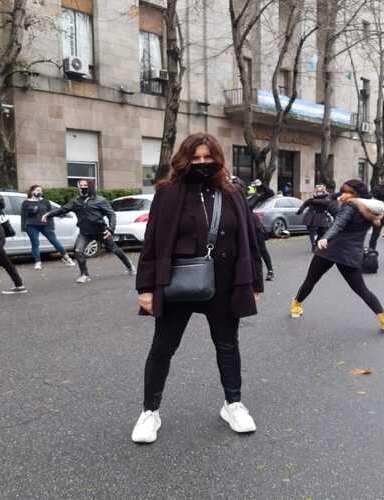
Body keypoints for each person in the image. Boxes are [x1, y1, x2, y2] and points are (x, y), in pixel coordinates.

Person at [132, 133, 263, 444]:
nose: (202, 163)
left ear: (217, 159)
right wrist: (146, 287)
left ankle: (232, 404)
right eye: (196, 158)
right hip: (178, 280)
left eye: (208, 157)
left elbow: (250, 239)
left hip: (226, 282)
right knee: (163, 347)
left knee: (227, 345)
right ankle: (150, 411)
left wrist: (252, 282)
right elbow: (152, 241)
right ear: (185, 160)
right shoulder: (169, 193)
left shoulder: (232, 193)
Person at [289, 179, 384, 334]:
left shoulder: (350, 206)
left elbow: (339, 223)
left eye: (348, 192)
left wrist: (326, 237)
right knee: (362, 290)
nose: (344, 194)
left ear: (356, 194)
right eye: (343, 191)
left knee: (311, 280)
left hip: (329, 250)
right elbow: (348, 218)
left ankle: (296, 306)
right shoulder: (373, 208)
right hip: (350, 254)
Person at [43, 179, 133, 283]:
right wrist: (49, 214)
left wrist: (111, 229)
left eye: (85, 185)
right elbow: (63, 209)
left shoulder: (100, 200)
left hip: (101, 231)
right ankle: (84, 274)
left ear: (90, 186)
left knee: (114, 249)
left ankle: (129, 266)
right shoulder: (75, 201)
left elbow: (111, 214)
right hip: (85, 232)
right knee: (78, 251)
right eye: (80, 185)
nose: (82, 187)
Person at [21, 185, 75, 270]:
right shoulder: (26, 203)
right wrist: (23, 227)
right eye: (38, 190)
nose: (40, 192)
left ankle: (66, 257)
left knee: (54, 241)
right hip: (31, 226)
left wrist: (51, 226)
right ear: (32, 191)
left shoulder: (45, 201)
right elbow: (23, 216)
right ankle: (38, 262)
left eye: (41, 191)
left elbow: (50, 214)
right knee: (35, 243)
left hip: (45, 225)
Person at [246, 179, 276, 280]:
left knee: (262, 249)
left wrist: (261, 185)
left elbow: (270, 193)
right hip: (241, 225)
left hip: (254, 225)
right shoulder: (237, 197)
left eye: (251, 187)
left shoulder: (256, 197)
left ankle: (270, 271)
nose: (250, 189)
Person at [296, 184, 336, 251]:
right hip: (312, 218)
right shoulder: (313, 199)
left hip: (319, 218)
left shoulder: (325, 198)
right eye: (317, 191)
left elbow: (325, 203)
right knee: (314, 232)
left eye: (320, 190)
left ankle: (317, 244)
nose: (319, 193)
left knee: (321, 232)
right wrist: (300, 210)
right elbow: (305, 204)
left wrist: (312, 201)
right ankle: (314, 245)